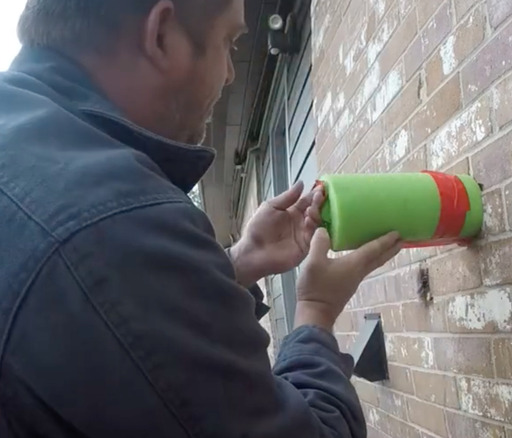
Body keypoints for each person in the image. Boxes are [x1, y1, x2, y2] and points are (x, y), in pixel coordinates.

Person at [0, 0, 402, 437]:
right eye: (230, 42)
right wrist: (316, 311)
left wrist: (237, 263)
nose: (231, 73)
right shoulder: (109, 222)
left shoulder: (27, 148)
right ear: (161, 35)